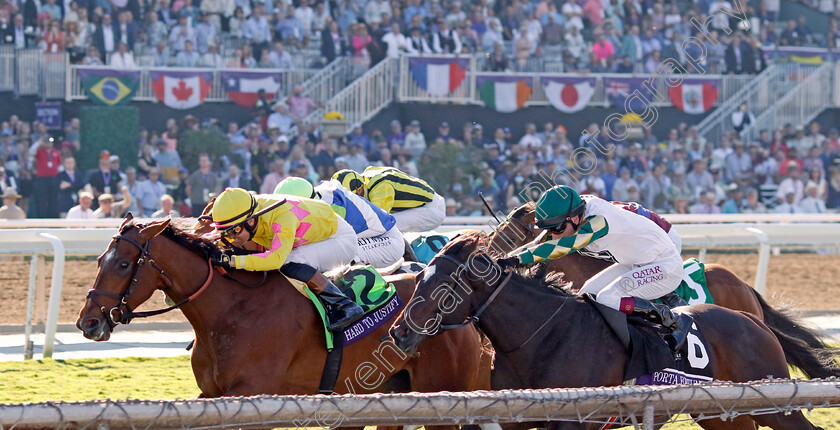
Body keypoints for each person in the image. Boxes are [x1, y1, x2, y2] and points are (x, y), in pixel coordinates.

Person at [496, 185, 692, 351]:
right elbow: (540, 244)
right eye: (551, 229)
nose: (554, 235)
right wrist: (503, 259)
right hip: (634, 263)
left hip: (664, 266)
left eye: (557, 229)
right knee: (585, 295)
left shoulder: (598, 221)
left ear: (574, 218)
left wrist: (517, 261)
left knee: (608, 297)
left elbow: (561, 247)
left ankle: (670, 319)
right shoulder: (573, 213)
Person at [208, 188, 363, 331]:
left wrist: (232, 261)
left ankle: (344, 305)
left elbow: (276, 259)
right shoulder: (247, 212)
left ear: (250, 221)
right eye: (226, 232)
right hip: (316, 237)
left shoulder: (282, 216)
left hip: (339, 240)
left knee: (288, 261)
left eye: (234, 231)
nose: (231, 238)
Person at [275, 177, 404, 269]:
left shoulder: (332, 208)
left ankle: (347, 305)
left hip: (386, 241)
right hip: (365, 236)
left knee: (320, 255)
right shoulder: (314, 196)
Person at [333, 167, 445, 233]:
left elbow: (377, 221)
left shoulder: (381, 189)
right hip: (422, 205)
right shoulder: (364, 177)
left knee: (387, 226)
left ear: (359, 190)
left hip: (431, 209)